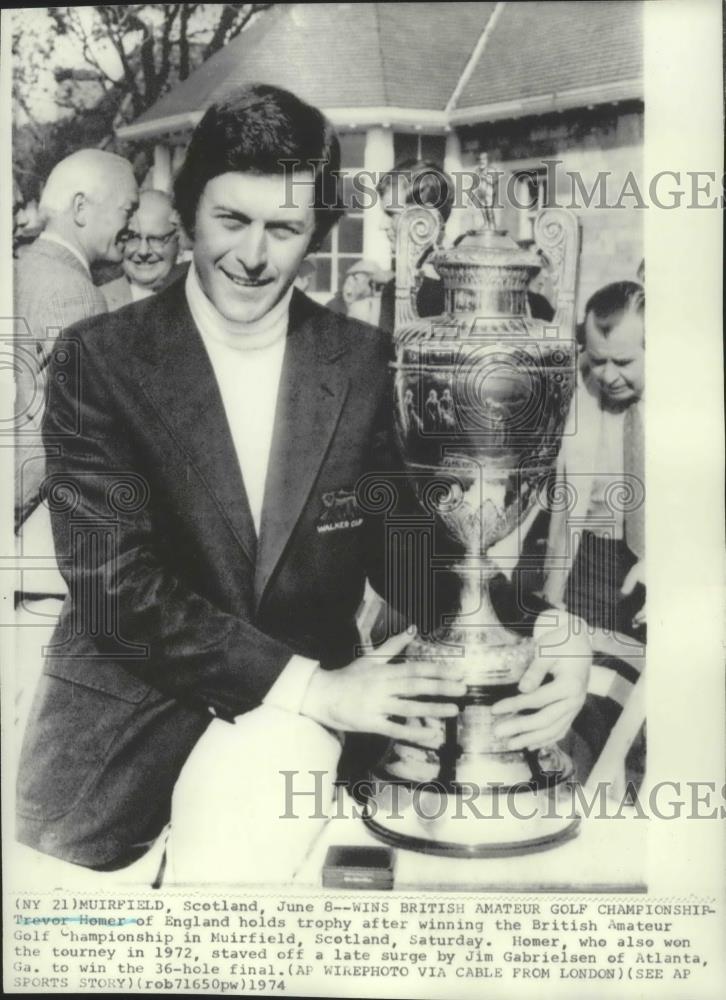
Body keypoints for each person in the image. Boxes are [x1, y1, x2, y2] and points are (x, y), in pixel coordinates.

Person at [17, 84, 589, 883]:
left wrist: (548, 632)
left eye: (283, 228)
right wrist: (312, 688)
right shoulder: (97, 359)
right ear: (187, 211)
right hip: (117, 770)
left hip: (295, 754)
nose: (253, 255)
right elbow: (116, 587)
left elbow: (415, 559)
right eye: (231, 220)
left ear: (318, 230)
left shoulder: (361, 362)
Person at [14, 149, 139, 530]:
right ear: (81, 208)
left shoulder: (23, 269)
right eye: (127, 210)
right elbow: (67, 435)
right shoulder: (76, 295)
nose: (132, 226)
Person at [541, 280, 645, 638]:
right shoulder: (577, 385)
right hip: (592, 560)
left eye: (624, 362)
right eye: (598, 360)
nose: (608, 376)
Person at [376, 159, 454, 334]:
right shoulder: (395, 288)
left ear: (426, 216)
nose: (382, 225)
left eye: (391, 214)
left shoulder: (461, 286)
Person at [101, 189, 183, 310]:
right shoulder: (99, 301)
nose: (143, 251)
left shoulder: (198, 300)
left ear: (179, 241)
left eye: (156, 239)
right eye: (132, 238)